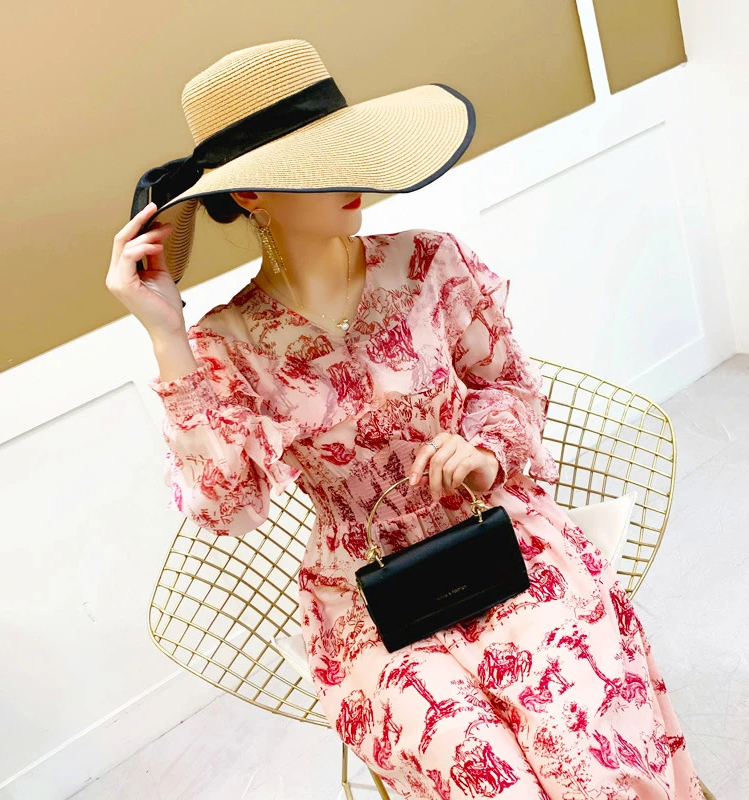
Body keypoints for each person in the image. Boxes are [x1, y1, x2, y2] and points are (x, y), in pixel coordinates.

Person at [106, 40, 707, 800]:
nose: (353, 173)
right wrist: (166, 336)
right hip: (369, 601)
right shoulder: (226, 345)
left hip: (500, 534)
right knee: (489, 775)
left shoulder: (429, 264)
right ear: (253, 194)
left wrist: (485, 451)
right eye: (317, 164)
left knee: (583, 750)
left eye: (346, 147)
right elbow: (225, 506)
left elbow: (508, 384)